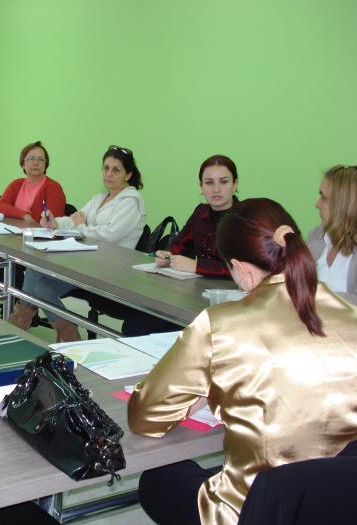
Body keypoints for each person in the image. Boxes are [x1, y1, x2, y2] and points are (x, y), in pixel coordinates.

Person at [128, 198, 357, 525]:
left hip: (250, 513)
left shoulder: (221, 323)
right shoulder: (351, 315)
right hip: (337, 506)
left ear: (243, 268)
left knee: (159, 477)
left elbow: (145, 417)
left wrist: (200, 396)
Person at [9, 146, 145, 342]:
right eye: (105, 168)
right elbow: (75, 219)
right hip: (88, 261)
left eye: (116, 170)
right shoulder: (100, 198)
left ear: (128, 174)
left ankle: (23, 328)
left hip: (112, 271)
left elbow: (109, 236)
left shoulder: (132, 201)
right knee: (34, 273)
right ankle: (65, 332)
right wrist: (55, 222)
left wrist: (82, 227)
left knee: (40, 285)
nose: (108, 174)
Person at [155, 154, 239, 277]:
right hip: (199, 287)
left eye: (224, 182)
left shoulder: (246, 218)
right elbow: (179, 244)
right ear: (201, 187)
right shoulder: (200, 213)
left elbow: (245, 269)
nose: (216, 189)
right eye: (209, 183)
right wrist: (167, 254)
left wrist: (196, 266)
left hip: (237, 291)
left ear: (235, 185)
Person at [308, 165, 357, 304]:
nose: (317, 204)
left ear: (343, 204)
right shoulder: (315, 237)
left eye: (324, 198)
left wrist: (320, 297)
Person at [0, 140, 66, 225]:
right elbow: (0, 206)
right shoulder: (16, 184)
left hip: (40, 236)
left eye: (41, 159)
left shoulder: (54, 188)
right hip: (15, 232)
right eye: (31, 158)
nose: (36, 163)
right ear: (23, 164)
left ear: (45, 164)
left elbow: (51, 221)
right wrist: (25, 215)